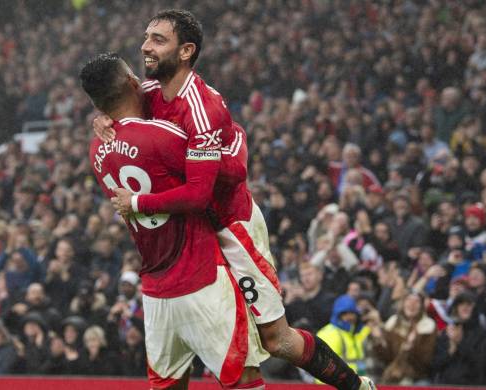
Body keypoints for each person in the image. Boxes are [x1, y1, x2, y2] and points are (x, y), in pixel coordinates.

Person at [94, 9, 373, 390]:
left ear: (187, 50)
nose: (146, 46)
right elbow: (115, 98)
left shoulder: (202, 107)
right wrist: (102, 119)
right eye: (147, 36)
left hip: (231, 226)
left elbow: (209, 187)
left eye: (158, 40)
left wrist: (140, 201)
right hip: (193, 232)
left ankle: (357, 387)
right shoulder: (148, 92)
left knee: (277, 340)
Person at [81, 52, 266, 389]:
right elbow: (232, 171)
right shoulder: (162, 136)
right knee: (243, 380)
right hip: (199, 275)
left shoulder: (96, 149)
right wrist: (234, 132)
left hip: (154, 289)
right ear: (131, 82)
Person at [317, 295, 371, 377]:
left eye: (352, 313)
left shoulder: (357, 332)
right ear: (337, 315)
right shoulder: (330, 333)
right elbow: (325, 367)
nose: (349, 317)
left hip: (359, 381)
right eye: (345, 313)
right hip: (338, 383)